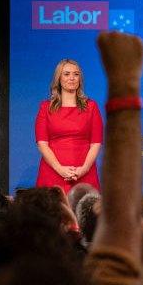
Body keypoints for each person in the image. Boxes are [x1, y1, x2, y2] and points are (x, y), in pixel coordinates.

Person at [35, 58, 103, 192]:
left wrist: (84, 169)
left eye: (76, 74)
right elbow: (42, 143)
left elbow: (96, 142)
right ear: (58, 79)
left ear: (80, 79)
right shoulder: (45, 107)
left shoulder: (91, 106)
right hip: (53, 173)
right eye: (66, 74)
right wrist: (60, 169)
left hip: (84, 173)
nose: (72, 78)